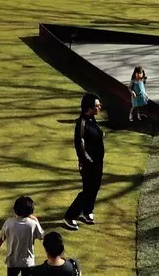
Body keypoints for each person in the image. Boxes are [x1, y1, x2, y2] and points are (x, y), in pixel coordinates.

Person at [62, 93, 104, 230]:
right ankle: (69, 216)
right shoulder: (82, 123)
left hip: (97, 162)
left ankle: (87, 211)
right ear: (89, 107)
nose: (100, 107)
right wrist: (89, 161)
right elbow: (80, 145)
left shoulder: (92, 120)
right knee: (87, 190)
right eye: (97, 106)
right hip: (88, 164)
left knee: (95, 187)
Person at [0, 195, 44, 272]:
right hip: (28, 262)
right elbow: (41, 236)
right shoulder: (33, 224)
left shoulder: (9, 223)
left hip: (12, 262)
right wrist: (36, 220)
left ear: (15, 209)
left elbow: (1, 239)